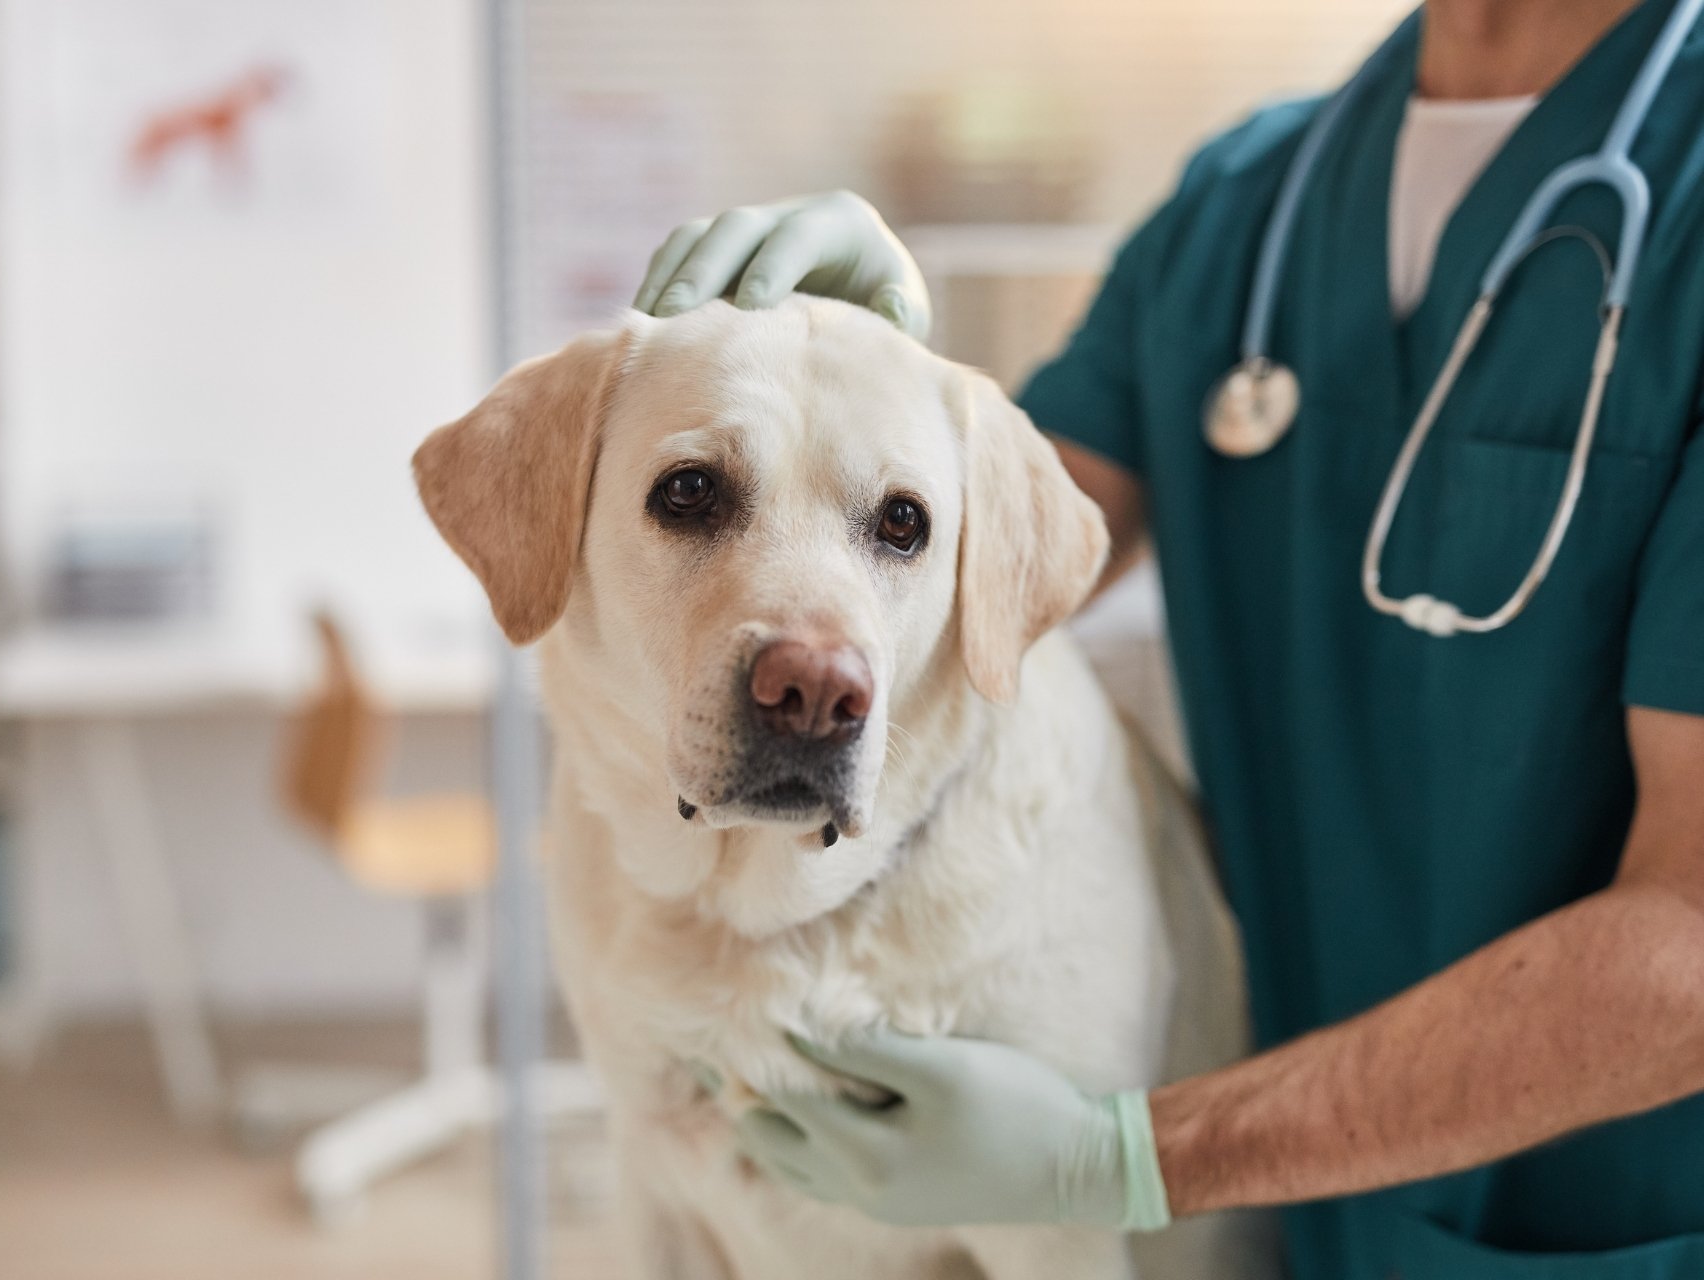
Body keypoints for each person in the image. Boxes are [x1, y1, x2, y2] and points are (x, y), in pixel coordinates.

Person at [629, 1, 1704, 1275]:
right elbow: (977, 568)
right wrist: (872, 380)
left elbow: (1690, 937)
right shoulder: (1244, 206)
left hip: (1606, 1218)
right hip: (1291, 1217)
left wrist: (1123, 1155)